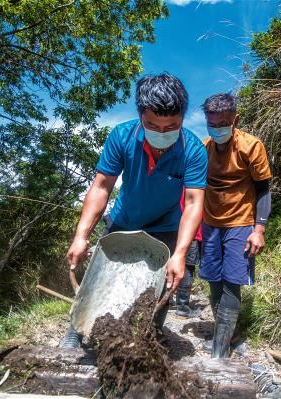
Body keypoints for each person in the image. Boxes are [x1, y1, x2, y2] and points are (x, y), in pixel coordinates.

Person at [61, 73, 208, 348]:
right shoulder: (122, 136)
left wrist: (180, 253)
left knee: (160, 289)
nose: (162, 133)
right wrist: (81, 236)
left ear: (183, 119)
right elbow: (102, 187)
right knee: (99, 278)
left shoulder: (194, 150)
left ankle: (144, 340)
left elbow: (193, 203)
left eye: (171, 126)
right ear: (141, 115)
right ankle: (76, 333)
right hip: (123, 220)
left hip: (165, 228)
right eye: (153, 125)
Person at [199, 93, 272, 358]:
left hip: (241, 222)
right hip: (210, 223)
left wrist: (259, 229)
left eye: (223, 123)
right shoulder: (203, 148)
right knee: (213, 281)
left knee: (232, 282)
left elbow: (263, 189)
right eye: (212, 124)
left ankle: (220, 350)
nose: (217, 129)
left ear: (235, 120)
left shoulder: (251, 146)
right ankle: (227, 333)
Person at [175, 190, 203, 318]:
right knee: (188, 267)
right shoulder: (195, 184)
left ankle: (173, 301)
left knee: (181, 265)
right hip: (192, 232)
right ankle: (182, 307)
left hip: (181, 230)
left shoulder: (182, 182)